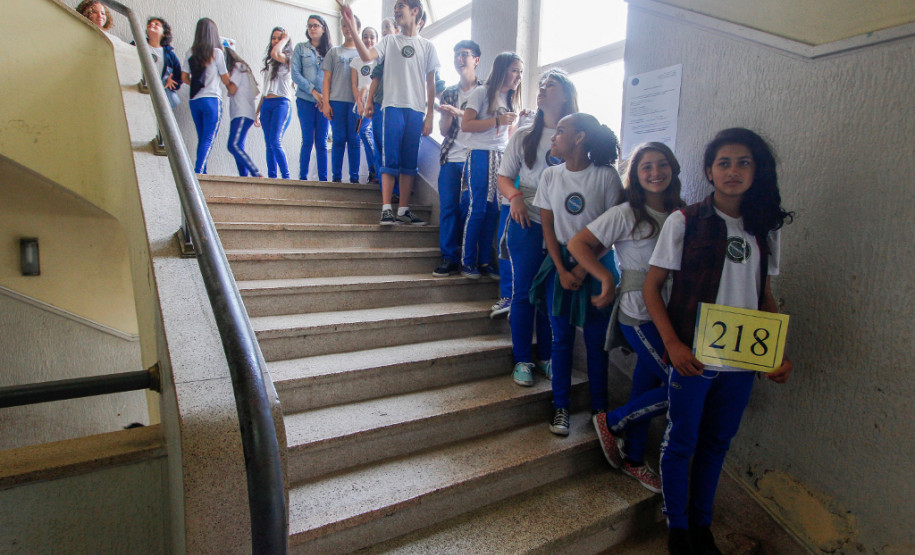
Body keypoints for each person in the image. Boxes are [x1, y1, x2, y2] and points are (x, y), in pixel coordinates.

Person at [642, 128, 793, 555]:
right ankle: (678, 527)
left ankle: (702, 525)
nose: (733, 171)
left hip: (741, 362)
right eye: (723, 163)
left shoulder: (764, 228)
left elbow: (763, 295)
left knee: (716, 444)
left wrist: (777, 352)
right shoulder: (685, 221)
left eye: (743, 162)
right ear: (709, 171)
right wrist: (673, 345)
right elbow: (652, 288)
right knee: (681, 441)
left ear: (757, 170)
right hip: (693, 355)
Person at [566, 142, 685, 494]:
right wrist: (605, 277)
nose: (655, 172)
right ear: (635, 174)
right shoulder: (626, 213)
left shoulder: (681, 212)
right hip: (639, 311)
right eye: (646, 166)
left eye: (662, 164)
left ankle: (633, 458)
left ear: (673, 169)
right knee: (681, 385)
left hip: (672, 311)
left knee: (645, 387)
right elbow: (578, 244)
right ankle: (612, 421)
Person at [530, 113, 623, 436]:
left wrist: (584, 268)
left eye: (560, 131)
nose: (553, 137)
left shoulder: (606, 176)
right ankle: (561, 407)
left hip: (597, 266)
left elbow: (613, 229)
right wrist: (561, 268)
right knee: (561, 340)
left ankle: (600, 412)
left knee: (597, 342)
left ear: (580, 137)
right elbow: (547, 226)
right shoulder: (551, 175)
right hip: (559, 265)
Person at [498, 69, 578, 386]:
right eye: (541, 85)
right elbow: (504, 178)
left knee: (551, 293)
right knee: (524, 291)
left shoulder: (578, 134)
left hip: (564, 224)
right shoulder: (523, 135)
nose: (542, 89)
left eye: (551, 85)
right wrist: (515, 197)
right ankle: (522, 360)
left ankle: (546, 357)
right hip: (526, 218)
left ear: (567, 94)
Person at [339, 0, 440, 226]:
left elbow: (431, 83)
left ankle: (403, 210)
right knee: (389, 159)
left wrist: (430, 115)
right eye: (394, 7)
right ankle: (386, 209)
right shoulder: (389, 41)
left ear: (415, 11)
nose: (396, 10)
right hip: (392, 107)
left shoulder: (428, 46)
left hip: (416, 111)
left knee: (409, 162)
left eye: (400, 6)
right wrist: (352, 26)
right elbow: (367, 56)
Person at [459, 52, 523, 278]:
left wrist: (521, 121)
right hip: (479, 153)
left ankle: (485, 261)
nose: (518, 76)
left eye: (521, 72)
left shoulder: (511, 99)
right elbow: (466, 125)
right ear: (502, 70)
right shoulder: (481, 92)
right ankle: (467, 262)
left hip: (501, 156)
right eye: (514, 70)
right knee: (477, 208)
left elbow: (508, 134)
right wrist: (497, 121)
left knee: (494, 211)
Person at [432, 40, 482, 277]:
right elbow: (444, 131)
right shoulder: (450, 92)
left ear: (476, 60)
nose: (460, 60)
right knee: (448, 208)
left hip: (476, 157)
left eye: (464, 55)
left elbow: (487, 124)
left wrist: (459, 112)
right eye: (456, 56)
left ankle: (470, 257)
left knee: (471, 208)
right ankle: (449, 258)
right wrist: (447, 115)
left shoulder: (485, 90)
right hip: (451, 157)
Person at [181, 18, 236, 174]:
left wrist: (196, 84)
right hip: (212, 100)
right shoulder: (217, 53)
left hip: (195, 100)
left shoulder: (190, 52)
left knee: (202, 138)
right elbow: (225, 79)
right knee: (208, 139)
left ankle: (202, 171)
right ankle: (198, 172)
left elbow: (184, 77)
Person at [322, 15, 364, 183]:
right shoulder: (334, 52)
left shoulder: (363, 53)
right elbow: (326, 79)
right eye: (344, 25)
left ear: (358, 28)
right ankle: (337, 178)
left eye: (350, 25)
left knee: (354, 140)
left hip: (356, 104)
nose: (347, 28)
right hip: (337, 101)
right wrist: (326, 103)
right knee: (338, 139)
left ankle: (354, 179)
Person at [291, 15, 332, 181]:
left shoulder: (331, 51)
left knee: (322, 142)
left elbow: (333, 77)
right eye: (309, 26)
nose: (312, 28)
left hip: (324, 102)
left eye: (315, 25)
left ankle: (323, 180)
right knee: (307, 140)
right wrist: (313, 92)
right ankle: (303, 178)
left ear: (323, 28)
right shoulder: (301, 48)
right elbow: (295, 74)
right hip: (305, 99)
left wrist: (325, 99)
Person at [256, 27, 294, 180]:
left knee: (275, 140)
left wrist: (286, 38)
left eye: (279, 38)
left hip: (282, 103)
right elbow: (265, 89)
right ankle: (272, 178)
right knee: (268, 143)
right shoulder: (270, 61)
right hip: (267, 103)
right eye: (274, 38)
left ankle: (286, 177)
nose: (276, 41)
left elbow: (275, 53)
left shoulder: (289, 59)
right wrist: (258, 111)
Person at [225, 47, 262, 178]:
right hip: (240, 113)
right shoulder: (240, 68)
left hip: (242, 112)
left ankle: (255, 172)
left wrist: (223, 76)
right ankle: (244, 177)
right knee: (238, 146)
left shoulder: (238, 67)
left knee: (233, 145)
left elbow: (232, 89)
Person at [351, 27, 379, 184]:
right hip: (361, 103)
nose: (368, 40)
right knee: (363, 132)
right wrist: (359, 103)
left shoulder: (379, 59)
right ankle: (373, 170)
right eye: (365, 37)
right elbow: (354, 84)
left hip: (376, 101)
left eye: (372, 37)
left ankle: (376, 168)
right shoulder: (356, 61)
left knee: (369, 133)